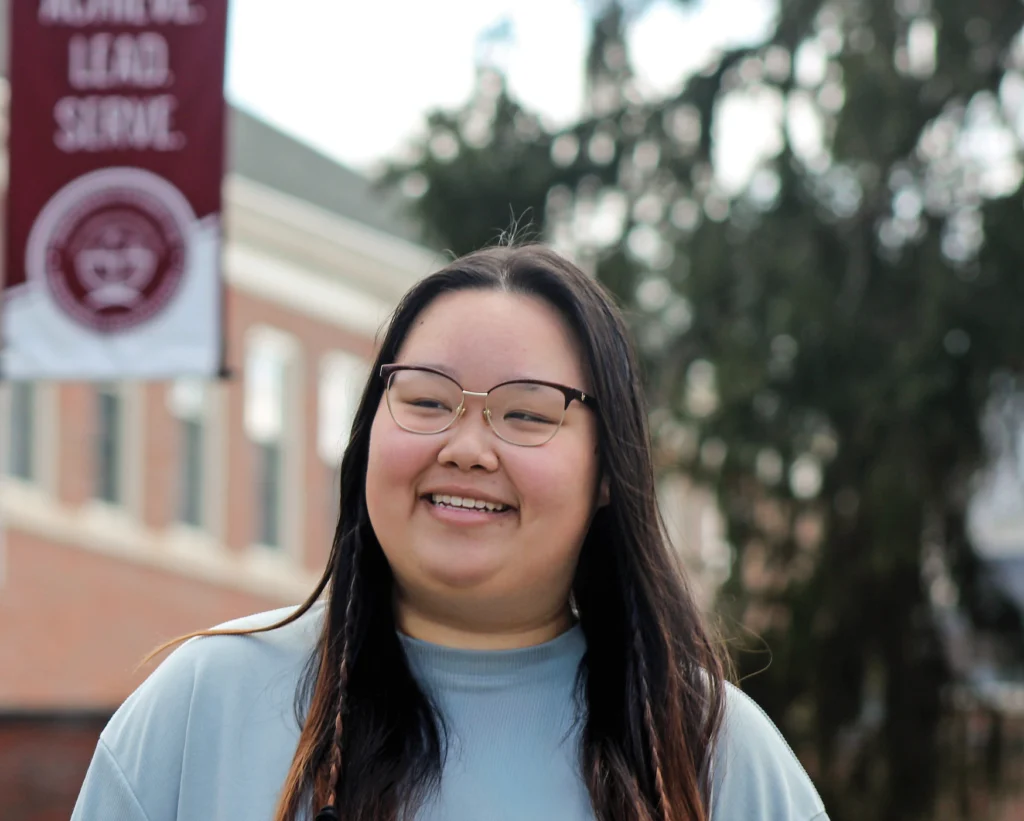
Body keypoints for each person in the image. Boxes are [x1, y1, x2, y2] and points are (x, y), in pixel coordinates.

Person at [72, 245, 829, 821]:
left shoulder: (707, 753)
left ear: (609, 471)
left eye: (528, 413)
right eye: (427, 401)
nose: (466, 447)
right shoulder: (204, 707)